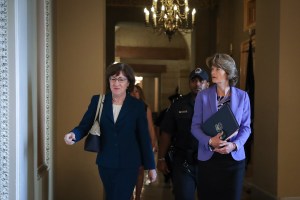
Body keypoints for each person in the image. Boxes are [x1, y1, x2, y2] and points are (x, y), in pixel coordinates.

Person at [64, 62, 157, 200]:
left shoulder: (137, 106)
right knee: (112, 195)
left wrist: (151, 166)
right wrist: (74, 135)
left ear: (128, 83)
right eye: (113, 78)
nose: (116, 83)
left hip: (129, 163)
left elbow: (143, 137)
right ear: (109, 81)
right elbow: (84, 125)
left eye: (121, 79)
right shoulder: (98, 101)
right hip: (106, 162)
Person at [191, 53, 251, 200]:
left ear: (228, 72)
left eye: (217, 69)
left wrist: (234, 145)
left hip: (234, 161)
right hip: (209, 159)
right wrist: (210, 141)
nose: (212, 72)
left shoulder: (243, 96)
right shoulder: (202, 96)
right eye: (212, 68)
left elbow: (246, 127)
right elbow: (195, 127)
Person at [157, 67, 209, 200]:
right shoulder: (178, 105)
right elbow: (166, 133)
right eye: (194, 80)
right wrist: (161, 158)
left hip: (209, 163)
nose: (197, 84)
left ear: (207, 83)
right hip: (183, 162)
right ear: (189, 83)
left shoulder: (216, 104)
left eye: (201, 81)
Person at [130, 84, 158, 200]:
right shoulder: (125, 107)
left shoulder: (145, 107)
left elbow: (150, 127)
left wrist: (154, 142)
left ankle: (137, 196)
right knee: (130, 171)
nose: (134, 93)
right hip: (129, 143)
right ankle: (129, 195)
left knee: (140, 170)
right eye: (132, 92)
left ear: (140, 94)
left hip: (141, 143)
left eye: (137, 91)